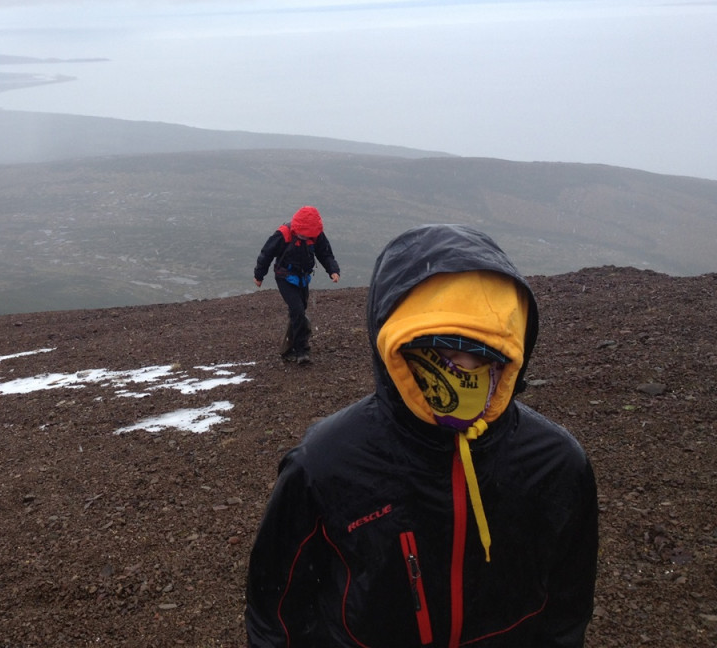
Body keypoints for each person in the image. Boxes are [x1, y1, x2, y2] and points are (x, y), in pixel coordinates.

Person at [246, 224, 598, 647]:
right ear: (393, 348)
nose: (463, 371)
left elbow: (567, 607)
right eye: (441, 353)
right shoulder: (326, 464)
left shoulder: (556, 465)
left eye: (485, 355)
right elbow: (277, 610)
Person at [253, 206, 341, 364]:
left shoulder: (316, 235)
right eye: (303, 235)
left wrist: (333, 270)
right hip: (284, 277)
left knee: (298, 313)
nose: (305, 238)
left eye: (308, 236)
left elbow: (325, 253)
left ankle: (287, 348)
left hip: (303, 278)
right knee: (298, 311)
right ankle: (302, 351)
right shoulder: (283, 234)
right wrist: (259, 275)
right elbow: (266, 254)